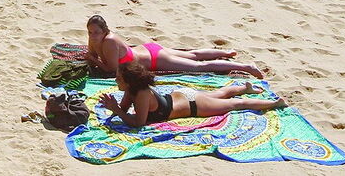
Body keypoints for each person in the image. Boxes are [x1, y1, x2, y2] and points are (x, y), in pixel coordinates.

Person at [99, 62, 284, 127]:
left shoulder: (141, 93)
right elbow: (123, 111)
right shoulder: (131, 90)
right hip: (182, 95)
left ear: (129, 81)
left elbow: (138, 123)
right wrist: (114, 107)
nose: (116, 81)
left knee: (236, 105)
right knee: (219, 93)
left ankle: (275, 103)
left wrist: (117, 110)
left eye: (119, 78)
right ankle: (245, 88)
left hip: (193, 104)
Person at [85, 15, 262, 78]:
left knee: (198, 66)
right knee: (193, 55)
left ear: (104, 30)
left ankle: (245, 67)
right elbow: (93, 56)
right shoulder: (95, 39)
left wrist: (94, 60)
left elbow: (112, 69)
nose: (93, 36)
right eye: (90, 32)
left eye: (96, 32)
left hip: (154, 59)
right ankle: (226, 53)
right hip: (147, 49)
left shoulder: (109, 41)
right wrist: (92, 57)